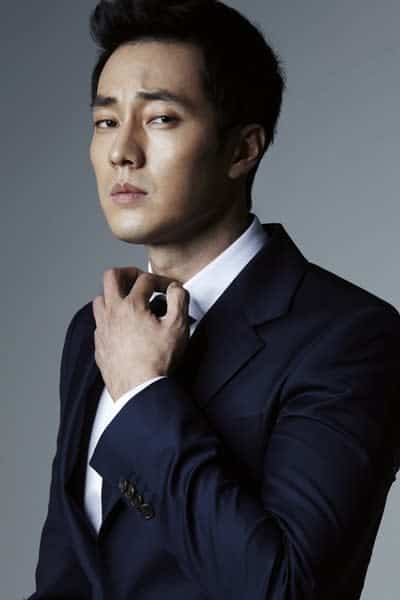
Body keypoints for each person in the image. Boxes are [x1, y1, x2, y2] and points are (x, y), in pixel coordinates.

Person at [28, 1, 400, 599]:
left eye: (160, 119)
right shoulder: (95, 329)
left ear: (243, 149)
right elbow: (67, 575)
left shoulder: (350, 337)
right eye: (105, 121)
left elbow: (288, 589)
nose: (122, 151)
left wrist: (143, 393)